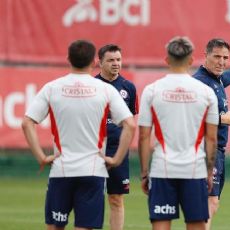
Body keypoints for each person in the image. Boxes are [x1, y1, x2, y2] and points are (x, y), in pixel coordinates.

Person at [21, 40, 136, 230]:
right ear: (94, 61)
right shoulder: (105, 89)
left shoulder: (52, 87)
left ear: (68, 59)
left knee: (55, 226)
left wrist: (41, 157)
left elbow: (27, 123)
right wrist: (115, 159)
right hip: (93, 169)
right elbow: (130, 124)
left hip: (62, 168)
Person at [138, 36, 218, 230]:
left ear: (167, 59)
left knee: (161, 225)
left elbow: (143, 137)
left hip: (162, 169)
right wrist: (209, 172)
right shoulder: (206, 93)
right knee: (197, 224)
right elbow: (211, 138)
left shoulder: (152, 91)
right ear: (191, 60)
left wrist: (144, 173)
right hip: (195, 169)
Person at [193, 38, 230, 229]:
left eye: (225, 57)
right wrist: (221, 119)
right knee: (210, 201)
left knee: (211, 202)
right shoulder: (199, 83)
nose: (221, 61)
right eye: (217, 56)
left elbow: (224, 78)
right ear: (206, 56)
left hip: (217, 150)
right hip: (206, 149)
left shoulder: (215, 79)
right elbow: (191, 117)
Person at [95, 44, 138, 230]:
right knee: (91, 197)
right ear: (99, 63)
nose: (116, 64)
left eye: (118, 60)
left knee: (116, 198)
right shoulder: (92, 86)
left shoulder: (128, 88)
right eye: (111, 60)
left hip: (118, 151)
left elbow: (130, 121)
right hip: (93, 150)